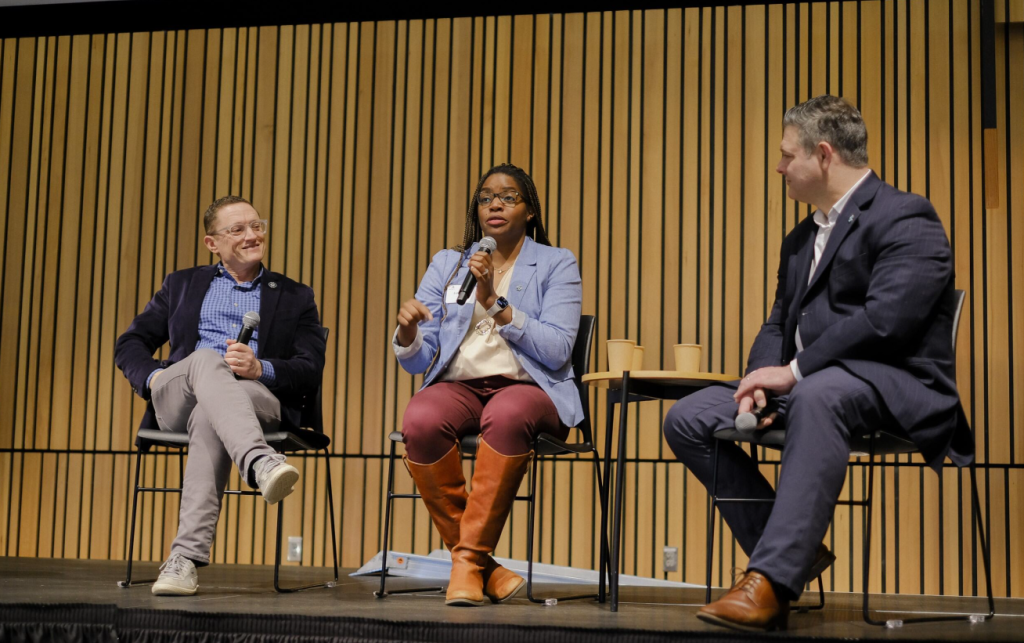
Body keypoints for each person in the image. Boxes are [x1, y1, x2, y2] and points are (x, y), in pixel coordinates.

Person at [662, 95, 972, 632]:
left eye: (787, 156)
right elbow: (778, 323)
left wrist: (795, 372)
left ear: (823, 155)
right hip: (809, 385)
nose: (779, 167)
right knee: (687, 416)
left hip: (890, 384)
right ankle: (789, 553)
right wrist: (760, 381)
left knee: (815, 393)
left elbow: (886, 322)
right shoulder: (801, 237)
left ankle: (770, 582)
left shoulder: (906, 215)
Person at [392, 163, 584, 606]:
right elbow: (422, 358)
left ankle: (465, 564)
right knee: (419, 418)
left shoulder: (557, 262)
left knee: (508, 412)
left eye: (509, 196)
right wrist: (407, 334)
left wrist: (496, 304)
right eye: (485, 197)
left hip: (529, 389)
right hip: (460, 387)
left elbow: (556, 350)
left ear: (530, 211)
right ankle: (482, 568)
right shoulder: (449, 263)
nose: (495, 204)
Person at [115, 196, 326, 596]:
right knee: (206, 359)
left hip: (253, 398)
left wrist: (260, 367)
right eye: (238, 230)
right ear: (212, 243)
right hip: (179, 396)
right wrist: (155, 377)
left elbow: (309, 366)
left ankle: (183, 560)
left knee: (210, 419)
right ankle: (261, 463)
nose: (253, 235)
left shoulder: (295, 295)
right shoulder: (180, 285)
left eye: (257, 225)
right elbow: (131, 344)